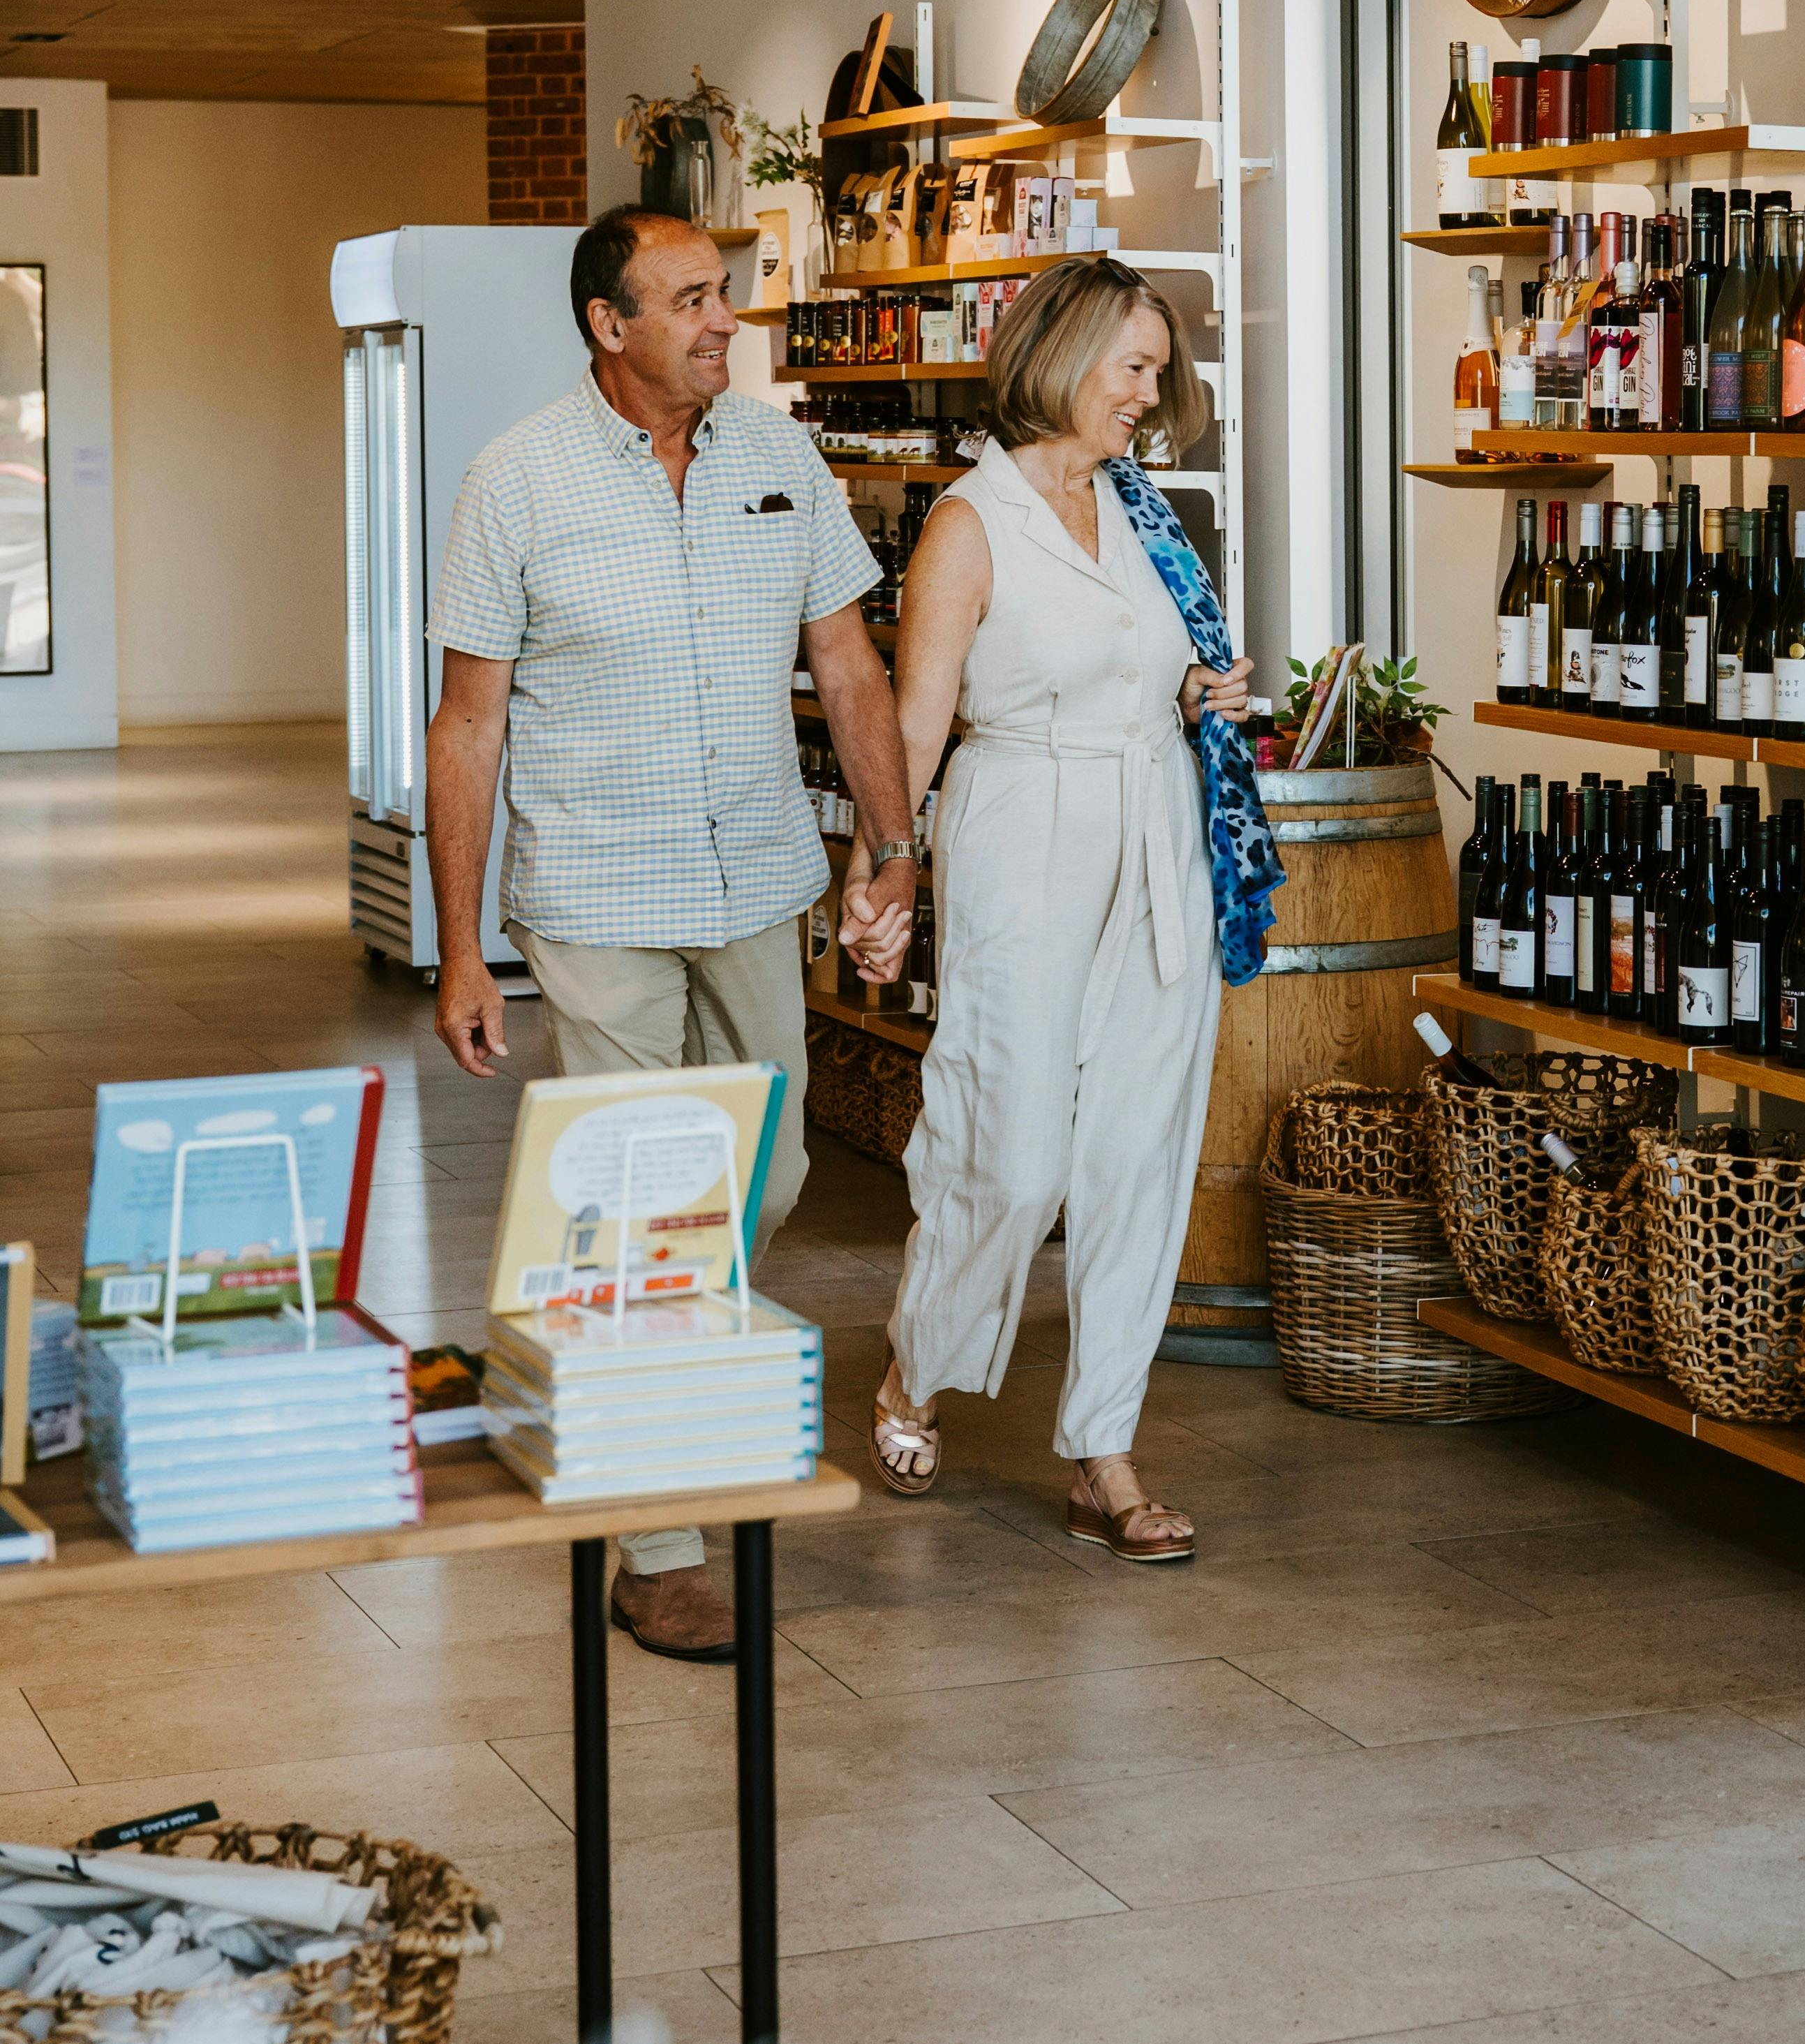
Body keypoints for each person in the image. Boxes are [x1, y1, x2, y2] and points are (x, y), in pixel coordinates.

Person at [424, 205, 916, 1657]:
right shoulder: (516, 481)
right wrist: (461, 946)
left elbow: (848, 662)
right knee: (646, 1203)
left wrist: (892, 849)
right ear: (609, 322)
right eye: (695, 298)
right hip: (596, 893)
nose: (726, 321)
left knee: (760, 1185)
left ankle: (619, 1377)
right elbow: (469, 727)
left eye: (727, 294)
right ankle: (662, 1539)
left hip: (758, 875)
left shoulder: (780, 457)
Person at [855, 256, 1272, 1557]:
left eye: (1160, 371)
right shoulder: (968, 526)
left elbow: (1163, 671)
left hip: (1158, 835)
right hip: (1022, 832)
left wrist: (1209, 697)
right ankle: (913, 1369)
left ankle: (1105, 1450)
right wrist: (885, 869)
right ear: (1060, 354)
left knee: (1140, 1153)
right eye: (1133, 367)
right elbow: (916, 726)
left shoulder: (1148, 512)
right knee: (1012, 1150)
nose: (1152, 394)